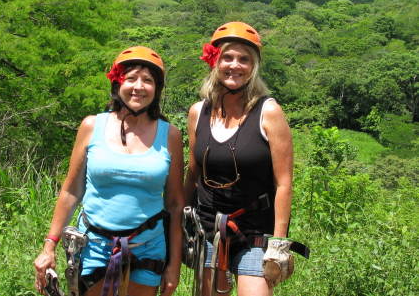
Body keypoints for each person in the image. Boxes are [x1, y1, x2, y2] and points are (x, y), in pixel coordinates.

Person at [34, 46, 184, 296]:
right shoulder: (92, 126)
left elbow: (175, 204)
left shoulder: (170, 135)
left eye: (148, 80)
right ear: (117, 84)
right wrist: (49, 245)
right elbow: (71, 191)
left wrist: (174, 266)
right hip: (95, 244)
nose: (139, 86)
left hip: (148, 247)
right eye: (131, 78)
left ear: (157, 89)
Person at [184, 22, 295, 296]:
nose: (235, 65)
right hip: (207, 228)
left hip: (254, 231)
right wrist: (178, 221)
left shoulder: (268, 112)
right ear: (215, 62)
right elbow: (193, 173)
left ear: (254, 66)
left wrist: (279, 243)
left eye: (244, 59)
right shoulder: (199, 112)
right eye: (228, 57)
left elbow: (283, 183)